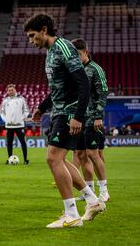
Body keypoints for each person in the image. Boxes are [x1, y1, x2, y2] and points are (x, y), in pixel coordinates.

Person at [24, 13, 105, 228]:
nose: (31, 41)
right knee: (59, 159)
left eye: (32, 36)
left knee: (53, 159)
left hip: (69, 114)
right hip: (59, 112)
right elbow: (60, 88)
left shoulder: (64, 47)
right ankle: (92, 200)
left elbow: (83, 84)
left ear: (43, 30)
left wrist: (78, 116)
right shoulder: (51, 52)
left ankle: (72, 215)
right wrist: (42, 108)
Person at [71, 38, 110, 203]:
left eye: (78, 54)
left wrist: (98, 116)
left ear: (86, 52)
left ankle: (104, 191)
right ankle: (90, 192)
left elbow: (103, 92)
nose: (76, 58)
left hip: (93, 118)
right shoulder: (75, 71)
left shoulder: (96, 69)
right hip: (78, 118)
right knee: (80, 154)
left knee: (93, 154)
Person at [0, 84, 30, 165]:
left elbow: (26, 110)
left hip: (19, 125)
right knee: (9, 143)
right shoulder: (5, 100)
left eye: (12, 90)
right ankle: (9, 159)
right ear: (7, 91)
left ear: (15, 90)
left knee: (23, 142)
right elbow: (1, 112)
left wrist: (22, 118)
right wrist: (6, 120)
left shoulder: (21, 99)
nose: (10, 92)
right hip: (9, 126)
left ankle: (26, 159)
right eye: (9, 90)